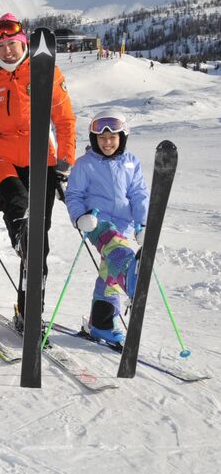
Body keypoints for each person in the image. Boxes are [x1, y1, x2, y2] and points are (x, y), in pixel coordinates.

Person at [0, 13, 76, 329]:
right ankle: (22, 232)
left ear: (24, 45)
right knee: (19, 208)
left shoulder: (46, 72)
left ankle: (29, 309)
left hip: (40, 161)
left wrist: (65, 161)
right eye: (2, 45)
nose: (8, 51)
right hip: (0, 158)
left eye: (13, 44)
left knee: (38, 246)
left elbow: (64, 120)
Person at [65, 110, 148, 343]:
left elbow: (138, 194)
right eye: (102, 138)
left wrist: (142, 224)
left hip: (124, 225)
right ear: (94, 139)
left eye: (112, 137)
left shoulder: (131, 162)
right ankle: (131, 277)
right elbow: (73, 194)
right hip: (97, 222)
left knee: (108, 273)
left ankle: (101, 323)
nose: (107, 142)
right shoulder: (84, 164)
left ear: (122, 137)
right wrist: (80, 217)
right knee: (116, 250)